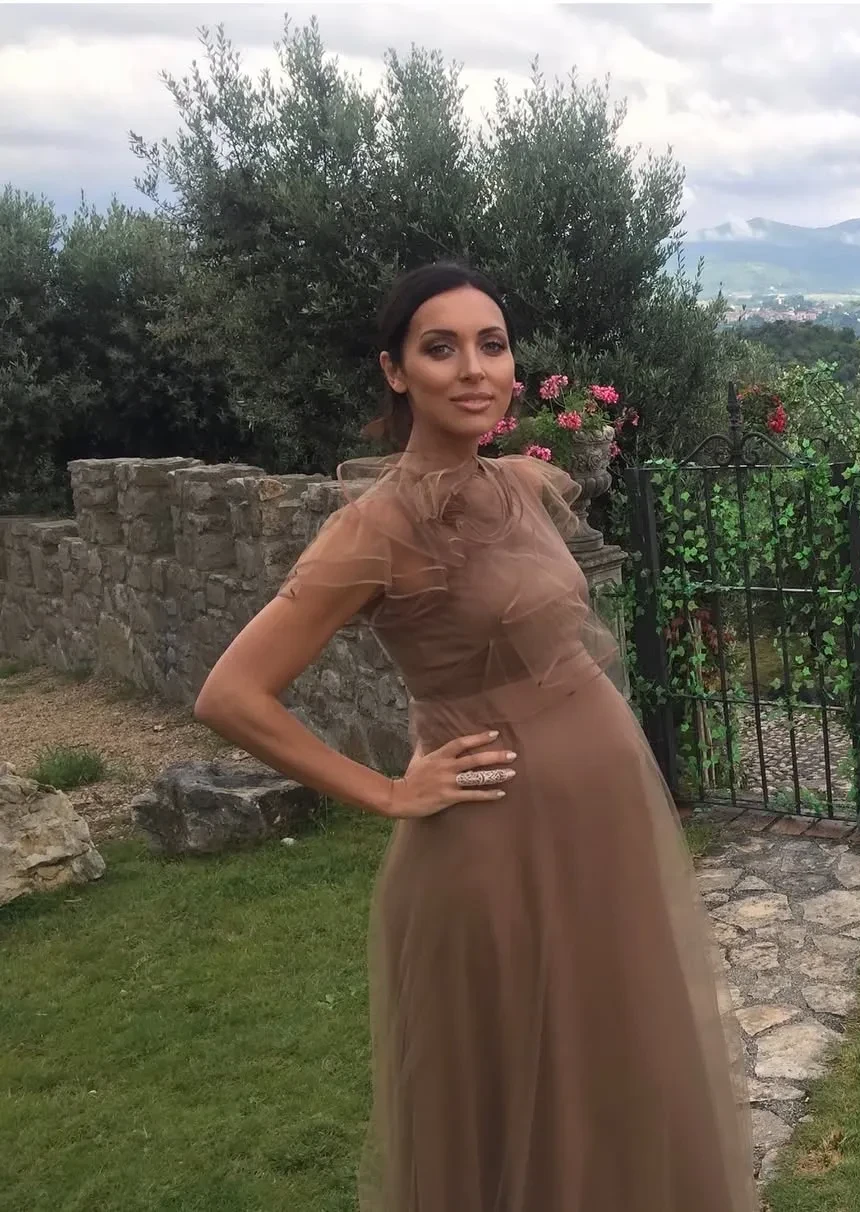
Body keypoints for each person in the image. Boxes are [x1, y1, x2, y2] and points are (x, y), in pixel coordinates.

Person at [193, 262, 755, 1211]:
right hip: (498, 843)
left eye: (491, 345)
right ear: (395, 371)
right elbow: (231, 694)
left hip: (604, 824)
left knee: (620, 1063)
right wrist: (387, 792)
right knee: (521, 1095)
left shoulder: (526, 485)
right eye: (440, 348)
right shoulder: (373, 530)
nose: (472, 369)